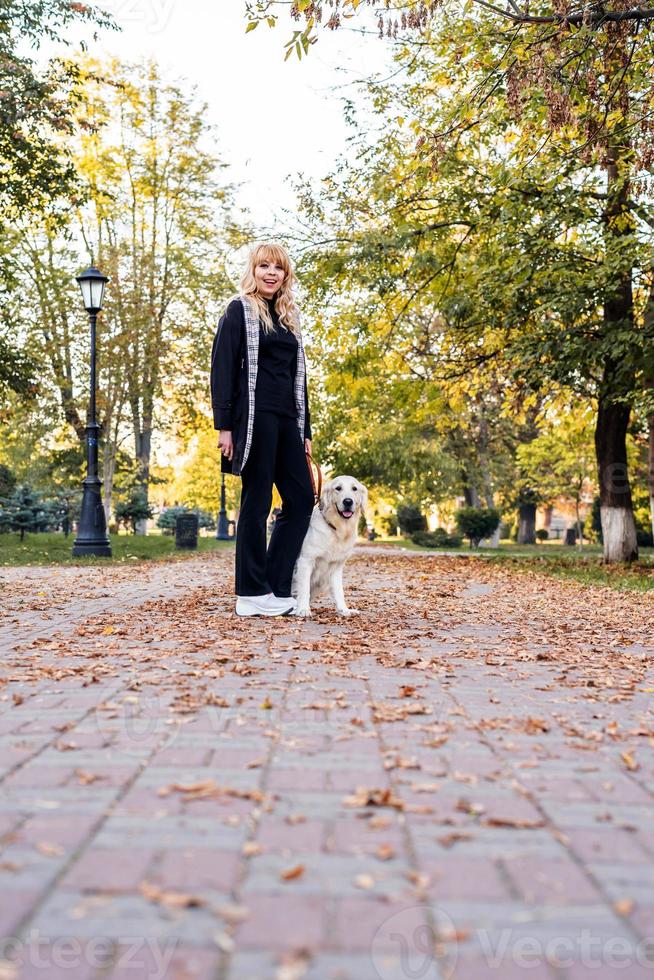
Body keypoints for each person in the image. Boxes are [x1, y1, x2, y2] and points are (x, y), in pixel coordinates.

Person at [210, 242, 315, 617]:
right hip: (253, 421)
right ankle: (250, 594)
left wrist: (306, 430)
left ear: (286, 275)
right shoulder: (239, 310)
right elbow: (221, 368)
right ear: (253, 271)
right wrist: (224, 426)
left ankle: (273, 585)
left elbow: (298, 378)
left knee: (302, 500)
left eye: (278, 268)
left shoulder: (290, 316)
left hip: (289, 420)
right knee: (257, 502)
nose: (271, 273)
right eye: (264, 266)